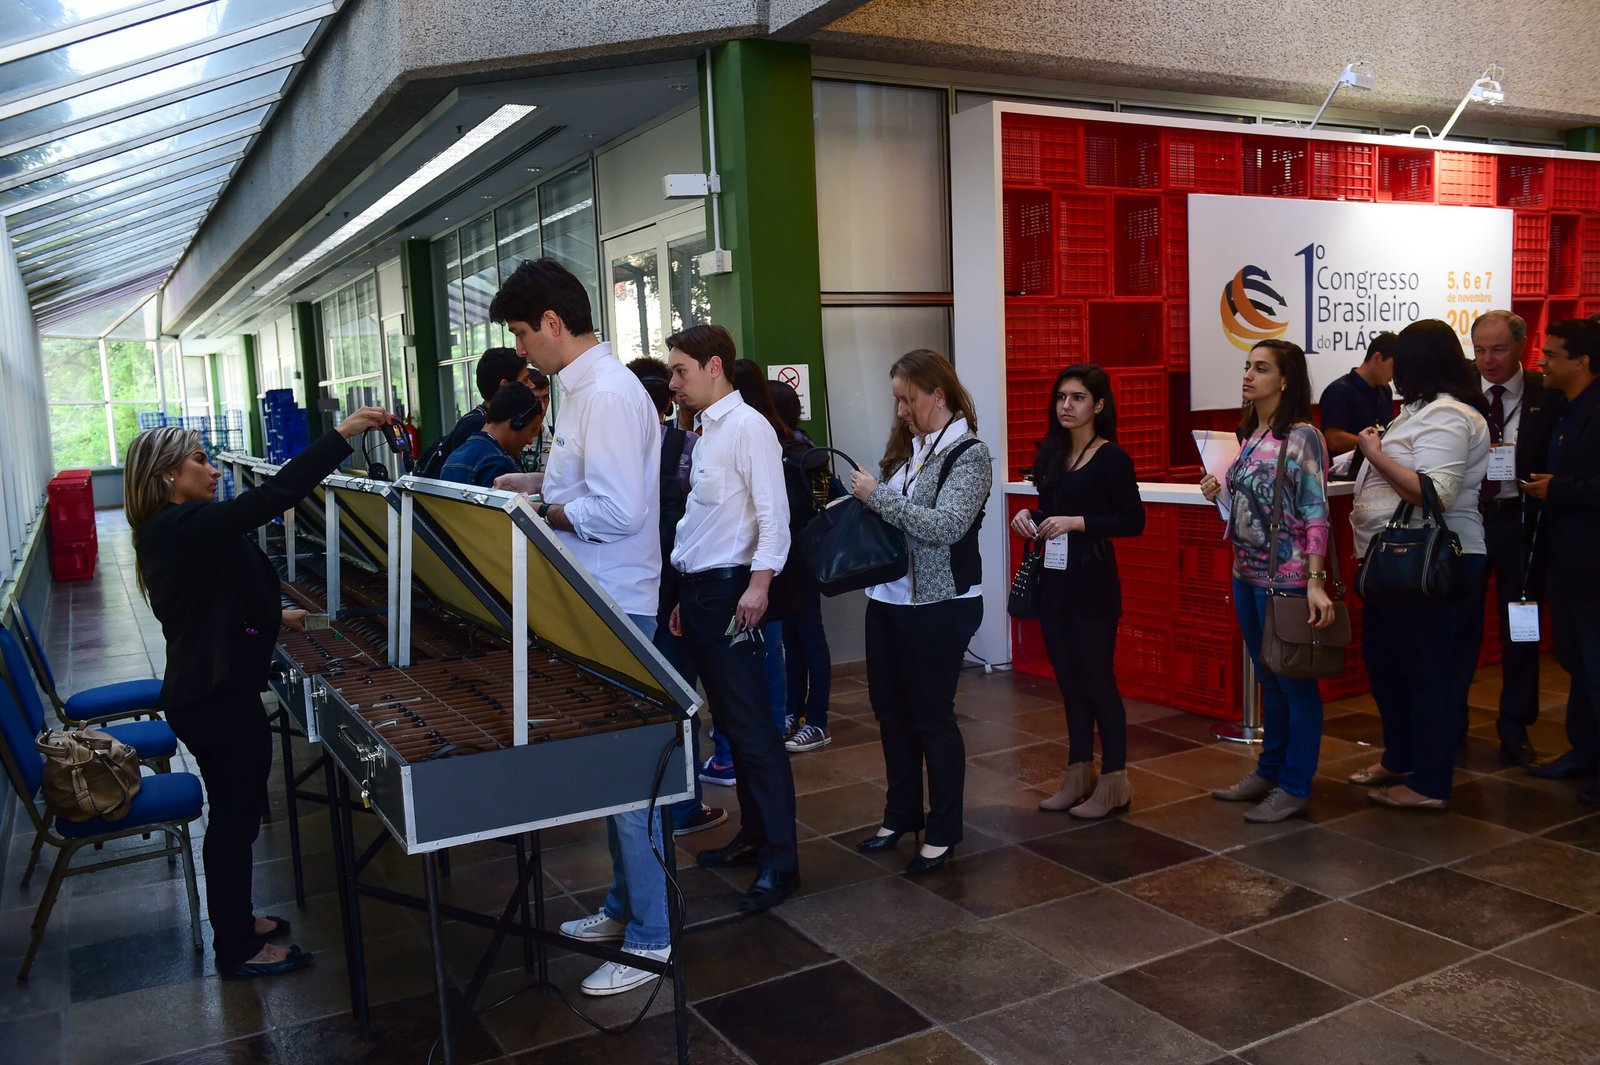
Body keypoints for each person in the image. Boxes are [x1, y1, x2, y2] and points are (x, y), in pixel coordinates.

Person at [125, 404, 390, 979]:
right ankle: (236, 949)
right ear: (169, 474)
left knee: (238, 819)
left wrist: (280, 617)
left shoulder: (180, 530)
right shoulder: (179, 526)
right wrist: (341, 437)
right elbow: (272, 499)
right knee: (233, 823)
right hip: (214, 701)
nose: (213, 469)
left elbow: (216, 602)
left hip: (213, 692)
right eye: (200, 460)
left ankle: (239, 920)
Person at [487, 258, 667, 997]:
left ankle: (652, 936)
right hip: (594, 596)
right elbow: (591, 486)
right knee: (608, 773)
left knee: (630, 781)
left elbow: (620, 511)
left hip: (620, 601)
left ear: (555, 323)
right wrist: (535, 484)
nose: (522, 351)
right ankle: (625, 907)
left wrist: (546, 510)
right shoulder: (579, 388)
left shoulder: (611, 394)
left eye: (525, 334)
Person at [665, 324, 799, 911]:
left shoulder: (749, 429)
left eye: (680, 372)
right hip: (699, 591)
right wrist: (681, 595)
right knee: (730, 725)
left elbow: (775, 516)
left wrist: (760, 583)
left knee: (752, 729)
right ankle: (753, 836)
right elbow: (701, 521)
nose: (673, 383)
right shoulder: (705, 432)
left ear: (713, 366)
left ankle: (781, 861)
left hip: (732, 593)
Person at [851, 349, 991, 874]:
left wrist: (874, 497)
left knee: (933, 718)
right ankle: (900, 814)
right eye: (897, 401)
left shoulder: (969, 454)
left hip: (939, 605)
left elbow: (944, 526)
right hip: (888, 600)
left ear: (939, 395)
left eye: (907, 400)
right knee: (891, 714)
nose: (902, 411)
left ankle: (943, 829)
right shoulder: (912, 450)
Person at [1345, 319, 1490, 811]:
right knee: (1388, 665)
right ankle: (1400, 756)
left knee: (1429, 672)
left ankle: (1430, 781)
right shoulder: (1415, 412)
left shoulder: (1450, 416)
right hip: (1393, 563)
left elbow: (1436, 493)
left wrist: (1373, 453)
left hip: (1437, 561)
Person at [1202, 340, 1335, 823]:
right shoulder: (1252, 433)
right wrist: (1220, 494)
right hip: (1246, 573)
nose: (1248, 375)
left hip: (1289, 578)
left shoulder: (1302, 436)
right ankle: (1270, 770)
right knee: (1269, 678)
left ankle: (1295, 784)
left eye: (1261, 368)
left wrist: (1316, 581)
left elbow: (1315, 511)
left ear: (1285, 379)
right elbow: (1252, 509)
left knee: (1295, 683)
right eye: (1247, 366)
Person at [1012, 364, 1145, 819]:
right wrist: (1030, 515)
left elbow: (1133, 520)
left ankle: (1114, 782)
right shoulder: (1052, 453)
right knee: (1068, 682)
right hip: (1054, 580)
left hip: (1092, 582)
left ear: (1099, 405)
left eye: (1078, 398)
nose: (1066, 406)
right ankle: (1077, 773)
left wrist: (1078, 522)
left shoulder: (1111, 458)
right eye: (1061, 397)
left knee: (1097, 681)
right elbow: (1050, 508)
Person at [626, 355, 726, 837]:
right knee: (679, 704)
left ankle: (650, 808)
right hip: (677, 597)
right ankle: (683, 809)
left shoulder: (615, 451)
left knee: (642, 709)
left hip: (625, 597)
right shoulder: (691, 450)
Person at [1463, 310, 1556, 766]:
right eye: (1479, 350)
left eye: (1497, 349)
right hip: (1470, 521)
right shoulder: (1461, 393)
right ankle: (1452, 719)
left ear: (1521, 346)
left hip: (1521, 523)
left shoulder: (1545, 392)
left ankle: (1516, 726)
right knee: (1459, 623)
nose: (1487, 360)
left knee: (1522, 625)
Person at [1522, 318, 1600, 800]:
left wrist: (1561, 490)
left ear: (1582, 361)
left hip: (1593, 561)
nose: (1542, 362)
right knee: (1574, 658)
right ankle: (1585, 751)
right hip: (1565, 557)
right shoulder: (1560, 407)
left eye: (1551, 354)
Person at [769, 379, 835, 754]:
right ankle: (795, 712)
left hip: (799, 559)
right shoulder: (806, 446)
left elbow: (792, 510)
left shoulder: (791, 453)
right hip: (797, 558)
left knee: (808, 637)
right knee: (794, 639)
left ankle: (818, 720)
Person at [416, 347, 532, 477]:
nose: (531, 386)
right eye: (525, 380)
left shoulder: (481, 421)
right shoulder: (477, 428)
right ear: (504, 386)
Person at [437, 384, 543, 488]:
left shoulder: (454, 457)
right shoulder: (497, 464)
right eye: (532, 430)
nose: (530, 440)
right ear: (517, 423)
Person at [1319, 332, 1396, 459]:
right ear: (1377, 357)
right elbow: (1333, 439)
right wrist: (1375, 445)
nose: (1395, 374)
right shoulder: (1338, 391)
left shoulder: (1385, 390)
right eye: (1393, 366)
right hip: (1345, 473)